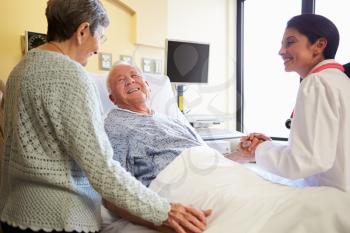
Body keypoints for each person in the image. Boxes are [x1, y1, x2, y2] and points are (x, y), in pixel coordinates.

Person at [0, 1, 209, 233]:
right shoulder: (72, 76)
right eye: (100, 36)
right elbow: (102, 169)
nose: (98, 48)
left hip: (14, 214)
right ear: (82, 31)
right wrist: (164, 211)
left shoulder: (20, 70)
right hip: (60, 219)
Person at [238, 14, 350, 192]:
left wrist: (259, 149)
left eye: (289, 42)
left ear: (319, 45)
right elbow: (323, 148)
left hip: (329, 201)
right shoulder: (340, 81)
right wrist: (271, 147)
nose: (281, 51)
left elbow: (307, 160)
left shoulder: (316, 83)